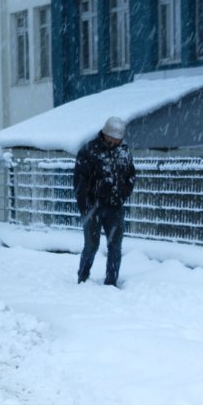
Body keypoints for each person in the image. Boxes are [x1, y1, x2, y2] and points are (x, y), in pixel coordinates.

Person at [74, 116, 136, 286]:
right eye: (113, 138)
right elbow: (81, 183)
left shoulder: (124, 151)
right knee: (92, 246)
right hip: (93, 208)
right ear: (105, 134)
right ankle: (83, 278)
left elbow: (131, 175)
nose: (115, 142)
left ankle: (111, 281)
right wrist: (86, 208)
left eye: (119, 139)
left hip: (115, 207)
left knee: (115, 247)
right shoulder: (89, 151)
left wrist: (123, 194)